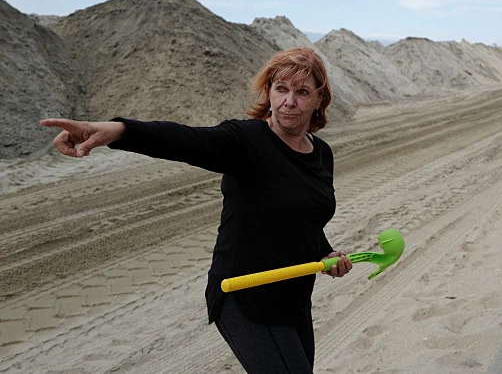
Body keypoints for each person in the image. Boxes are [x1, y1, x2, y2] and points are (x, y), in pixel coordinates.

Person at [41, 47, 353, 373]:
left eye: (302, 92)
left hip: (293, 298)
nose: (289, 101)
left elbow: (305, 220)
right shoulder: (245, 141)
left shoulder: (322, 154)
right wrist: (118, 131)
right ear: (269, 92)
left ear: (320, 99)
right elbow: (184, 139)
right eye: (281, 89)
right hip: (245, 295)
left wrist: (327, 252)